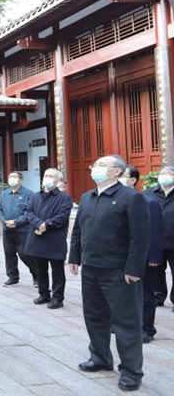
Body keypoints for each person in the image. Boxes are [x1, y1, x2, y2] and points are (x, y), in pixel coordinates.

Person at [69, 155, 150, 392]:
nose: (95, 168)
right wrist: (74, 257)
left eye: (102, 165)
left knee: (126, 322)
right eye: (95, 164)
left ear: (117, 172)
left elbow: (139, 237)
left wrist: (134, 269)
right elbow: (77, 231)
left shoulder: (131, 198)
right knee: (94, 316)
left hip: (119, 271)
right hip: (91, 268)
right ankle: (100, 358)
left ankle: (131, 371)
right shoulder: (87, 197)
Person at [121, 165, 163, 343]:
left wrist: (154, 257)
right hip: (123, 256)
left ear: (132, 181)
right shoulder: (117, 200)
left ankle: (147, 328)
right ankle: (127, 325)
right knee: (125, 295)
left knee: (145, 295)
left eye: (123, 175)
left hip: (144, 257)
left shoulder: (148, 202)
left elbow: (154, 232)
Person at [24, 168, 73, 309]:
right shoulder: (35, 196)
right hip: (37, 237)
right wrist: (39, 224)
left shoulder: (64, 198)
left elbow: (62, 216)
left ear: (58, 180)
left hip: (54, 238)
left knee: (57, 270)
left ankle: (58, 297)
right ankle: (44, 293)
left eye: (51, 176)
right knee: (40, 269)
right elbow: (29, 212)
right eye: (45, 175)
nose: (47, 178)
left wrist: (47, 225)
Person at [0, 171, 37, 287]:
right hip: (7, 229)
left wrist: (16, 222)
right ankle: (12, 277)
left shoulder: (28, 194)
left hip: (23, 229)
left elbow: (30, 211)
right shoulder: (4, 194)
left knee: (25, 254)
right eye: (10, 177)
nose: (11, 179)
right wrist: (4, 221)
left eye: (14, 177)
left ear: (21, 180)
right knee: (9, 254)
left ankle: (36, 275)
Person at [142, 165, 174, 309]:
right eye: (163, 173)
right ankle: (158, 296)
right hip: (154, 240)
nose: (166, 175)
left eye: (170, 173)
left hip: (172, 240)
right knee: (156, 272)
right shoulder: (147, 193)